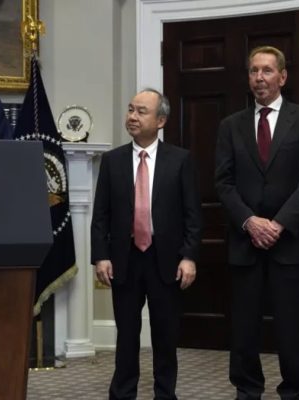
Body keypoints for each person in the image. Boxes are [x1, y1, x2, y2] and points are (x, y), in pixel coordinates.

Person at [215, 46, 299, 400]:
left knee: (295, 326)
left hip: (292, 241)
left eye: (266, 70)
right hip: (245, 240)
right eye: (253, 71)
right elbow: (223, 182)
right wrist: (250, 221)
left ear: (282, 76)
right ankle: (247, 389)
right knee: (244, 326)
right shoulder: (230, 126)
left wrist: (277, 225)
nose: (259, 77)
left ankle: (295, 391)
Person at [91, 88, 202, 400]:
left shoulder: (180, 160)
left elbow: (193, 214)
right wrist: (101, 256)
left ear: (161, 120)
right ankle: (122, 393)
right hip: (124, 259)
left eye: (141, 111)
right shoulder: (112, 161)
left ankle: (165, 394)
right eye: (130, 109)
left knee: (166, 336)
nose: (132, 117)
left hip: (165, 260)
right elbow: (100, 215)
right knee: (127, 335)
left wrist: (189, 256)